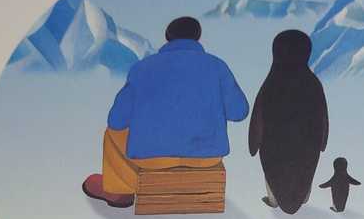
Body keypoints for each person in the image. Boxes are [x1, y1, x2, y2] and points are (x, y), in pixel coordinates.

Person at [82, 16, 249, 208]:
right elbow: (239, 112)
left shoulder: (142, 68)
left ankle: (120, 191)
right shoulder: (218, 66)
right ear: (198, 37)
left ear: (168, 37)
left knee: (112, 133)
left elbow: (116, 120)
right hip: (206, 158)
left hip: (152, 160)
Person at [249, 29, 329, 215]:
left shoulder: (271, 83)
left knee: (274, 169)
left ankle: (273, 198)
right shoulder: (313, 83)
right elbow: (323, 117)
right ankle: (304, 196)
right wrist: (322, 141)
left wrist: (254, 143)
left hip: (273, 144)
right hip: (307, 144)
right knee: (304, 169)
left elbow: (258, 117)